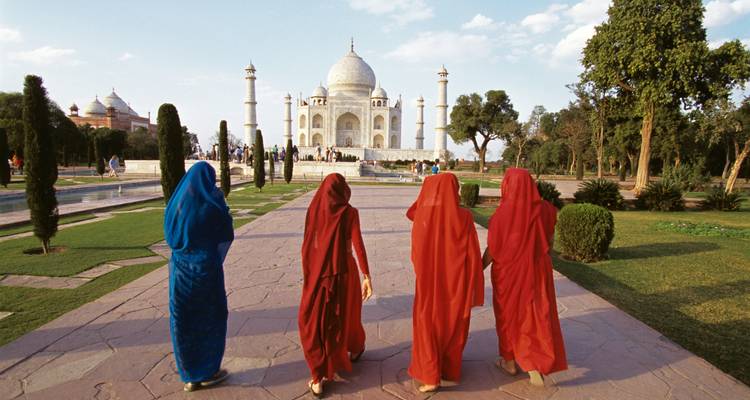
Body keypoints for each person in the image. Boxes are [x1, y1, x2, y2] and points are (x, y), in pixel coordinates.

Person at [483, 168, 567, 386]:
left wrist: (477, 268)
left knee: (508, 316)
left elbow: (493, 249)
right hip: (537, 269)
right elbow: (549, 243)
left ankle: (510, 361)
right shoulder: (547, 210)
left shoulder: (501, 214)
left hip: (508, 274)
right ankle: (533, 363)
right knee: (535, 315)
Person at [406, 173, 484, 393]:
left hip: (430, 281)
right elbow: (472, 252)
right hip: (456, 280)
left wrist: (428, 198)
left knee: (428, 323)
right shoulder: (465, 217)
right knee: (453, 323)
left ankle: (431, 374)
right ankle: (449, 368)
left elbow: (411, 212)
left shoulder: (423, 214)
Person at [299, 173, 373, 397]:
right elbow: (358, 245)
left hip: (320, 274)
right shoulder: (350, 213)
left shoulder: (314, 211)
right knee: (346, 315)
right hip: (345, 272)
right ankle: (356, 347)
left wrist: (311, 273)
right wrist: (366, 275)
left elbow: (308, 247)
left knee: (319, 321)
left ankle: (318, 376)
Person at [164, 162, 234, 392]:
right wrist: (221, 204)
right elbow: (226, 232)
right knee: (211, 319)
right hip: (206, 271)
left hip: (181, 274)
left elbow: (171, 237)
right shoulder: (211, 206)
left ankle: (189, 376)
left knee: (183, 321)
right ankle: (209, 370)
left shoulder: (176, 206)